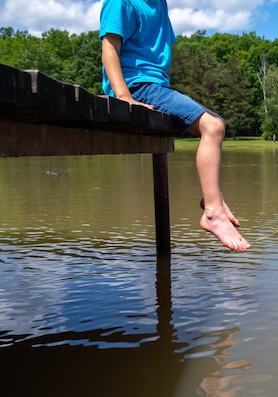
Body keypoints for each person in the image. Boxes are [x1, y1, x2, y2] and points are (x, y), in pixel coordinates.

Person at [99, 0, 250, 252]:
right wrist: (124, 97)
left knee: (217, 123)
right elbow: (109, 49)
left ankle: (214, 201)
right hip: (136, 85)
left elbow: (159, 54)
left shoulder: (160, 3)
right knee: (212, 127)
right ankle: (213, 213)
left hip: (156, 86)